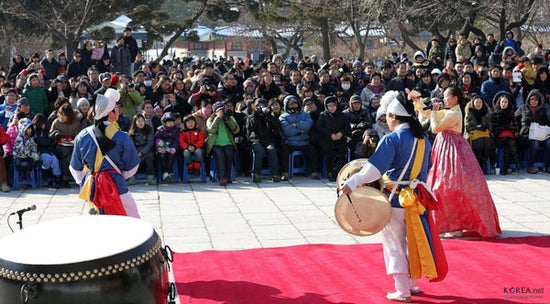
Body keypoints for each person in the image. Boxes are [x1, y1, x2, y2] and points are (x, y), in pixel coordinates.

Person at [341, 92, 442, 303]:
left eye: (386, 115)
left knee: (394, 244)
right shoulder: (424, 139)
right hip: (417, 198)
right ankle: (412, 284)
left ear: (394, 116)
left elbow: (374, 170)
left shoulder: (393, 139)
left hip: (396, 199)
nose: (386, 119)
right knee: (411, 241)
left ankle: (402, 290)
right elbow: (428, 167)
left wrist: (352, 182)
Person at [412, 86, 502, 238]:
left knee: (448, 185)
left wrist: (434, 110)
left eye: (446, 96)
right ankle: (450, 224)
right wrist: (417, 102)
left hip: (452, 151)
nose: (444, 98)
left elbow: (435, 128)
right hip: (446, 149)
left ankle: (455, 224)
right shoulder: (450, 111)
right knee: (444, 186)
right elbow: (429, 114)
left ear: (455, 98)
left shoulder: (455, 113)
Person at [70, 91, 141, 217]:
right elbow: (132, 166)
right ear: (110, 113)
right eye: (116, 108)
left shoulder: (82, 135)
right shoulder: (122, 137)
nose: (118, 110)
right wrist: (119, 176)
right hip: (116, 184)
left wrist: (85, 180)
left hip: (91, 186)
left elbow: (75, 167)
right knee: (130, 219)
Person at [279, 95, 320, 180]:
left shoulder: (305, 115)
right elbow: (287, 130)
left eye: (295, 103)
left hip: (304, 141)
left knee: (313, 150)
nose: (293, 106)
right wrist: (299, 130)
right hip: (290, 142)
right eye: (291, 104)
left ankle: (314, 172)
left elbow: (308, 125)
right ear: (287, 105)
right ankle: (284, 173)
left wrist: (296, 125)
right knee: (284, 151)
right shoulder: (283, 117)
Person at [515, 89, 550, 174]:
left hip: (542, 135)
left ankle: (548, 166)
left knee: (549, 143)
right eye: (532, 99)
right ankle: (530, 166)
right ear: (528, 99)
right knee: (535, 144)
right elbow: (514, 118)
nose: (534, 101)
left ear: (539, 101)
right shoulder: (523, 108)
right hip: (527, 135)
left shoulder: (543, 109)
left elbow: (547, 123)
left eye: (536, 100)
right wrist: (516, 130)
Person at [247, 98, 281, 183]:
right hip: (256, 140)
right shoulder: (251, 116)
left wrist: (268, 115)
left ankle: (275, 173)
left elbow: (277, 126)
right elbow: (251, 128)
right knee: (259, 150)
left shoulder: (269, 116)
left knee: (272, 150)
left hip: (268, 139)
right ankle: (256, 174)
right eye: (258, 106)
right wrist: (256, 114)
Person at [206, 101, 240, 186]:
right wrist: (217, 118)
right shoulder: (210, 119)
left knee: (229, 153)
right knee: (220, 154)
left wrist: (227, 119)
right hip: (215, 144)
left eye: (223, 110)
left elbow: (236, 130)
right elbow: (211, 130)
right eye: (219, 110)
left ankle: (228, 176)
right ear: (215, 112)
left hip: (228, 143)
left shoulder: (230, 117)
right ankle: (221, 177)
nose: (222, 112)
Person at [317, 96, 351, 181]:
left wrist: (341, 133)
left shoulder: (341, 115)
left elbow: (347, 127)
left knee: (341, 153)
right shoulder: (323, 115)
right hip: (327, 140)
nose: (332, 108)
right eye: (330, 106)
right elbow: (320, 127)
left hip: (340, 140)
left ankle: (339, 172)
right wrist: (330, 135)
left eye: (334, 105)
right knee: (328, 152)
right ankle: (329, 172)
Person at [50, 104, 82, 188]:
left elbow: (78, 135)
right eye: (61, 114)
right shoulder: (56, 122)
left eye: (64, 115)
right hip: (59, 145)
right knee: (66, 153)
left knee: (68, 155)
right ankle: (65, 179)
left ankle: (64, 179)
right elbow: (50, 134)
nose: (61, 117)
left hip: (71, 145)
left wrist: (74, 140)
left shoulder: (75, 123)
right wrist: (57, 135)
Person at [491, 92, 520, 174]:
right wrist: (503, 127)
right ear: (499, 103)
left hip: (509, 135)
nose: (504, 104)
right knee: (508, 143)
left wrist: (510, 128)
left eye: (505, 102)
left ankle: (506, 168)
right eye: (502, 102)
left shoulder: (511, 113)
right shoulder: (495, 114)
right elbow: (494, 129)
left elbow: (515, 127)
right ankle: (515, 161)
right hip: (499, 136)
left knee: (509, 144)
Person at [463, 95, 494, 174]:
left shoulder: (485, 112)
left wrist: (485, 127)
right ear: (473, 103)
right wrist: (476, 127)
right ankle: (478, 164)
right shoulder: (469, 112)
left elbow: (490, 126)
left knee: (487, 142)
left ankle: (484, 163)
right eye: (477, 102)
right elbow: (467, 127)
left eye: (480, 102)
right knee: (479, 143)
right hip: (472, 134)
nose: (478, 104)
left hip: (484, 133)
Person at [33, 114, 62, 188]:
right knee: (47, 158)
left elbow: (49, 142)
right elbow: (41, 142)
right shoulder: (35, 132)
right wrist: (50, 140)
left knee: (55, 160)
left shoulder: (45, 131)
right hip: (39, 152)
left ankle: (57, 178)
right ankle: (47, 173)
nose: (44, 125)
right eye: (42, 124)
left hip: (48, 151)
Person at [127, 113, 157, 186]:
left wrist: (142, 153)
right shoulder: (131, 133)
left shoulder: (149, 130)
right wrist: (137, 153)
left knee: (149, 159)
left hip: (147, 151)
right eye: (139, 121)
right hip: (136, 152)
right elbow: (131, 145)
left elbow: (150, 143)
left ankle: (150, 178)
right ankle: (131, 178)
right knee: (130, 158)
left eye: (142, 121)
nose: (141, 123)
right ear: (135, 122)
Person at [155, 112, 179, 182]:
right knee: (162, 155)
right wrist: (160, 147)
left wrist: (174, 147)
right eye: (168, 122)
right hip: (163, 148)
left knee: (172, 155)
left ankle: (168, 172)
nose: (170, 123)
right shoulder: (160, 130)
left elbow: (177, 140)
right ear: (164, 122)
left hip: (172, 148)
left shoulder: (176, 130)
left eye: (172, 121)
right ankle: (166, 172)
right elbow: (157, 140)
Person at [12, 117, 39, 182]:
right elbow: (22, 149)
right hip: (19, 155)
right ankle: (21, 173)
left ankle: (28, 172)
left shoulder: (31, 138)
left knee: (32, 161)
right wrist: (30, 154)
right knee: (17, 163)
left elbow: (33, 145)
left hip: (28, 156)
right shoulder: (20, 138)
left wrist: (34, 152)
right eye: (28, 129)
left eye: (30, 129)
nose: (30, 130)